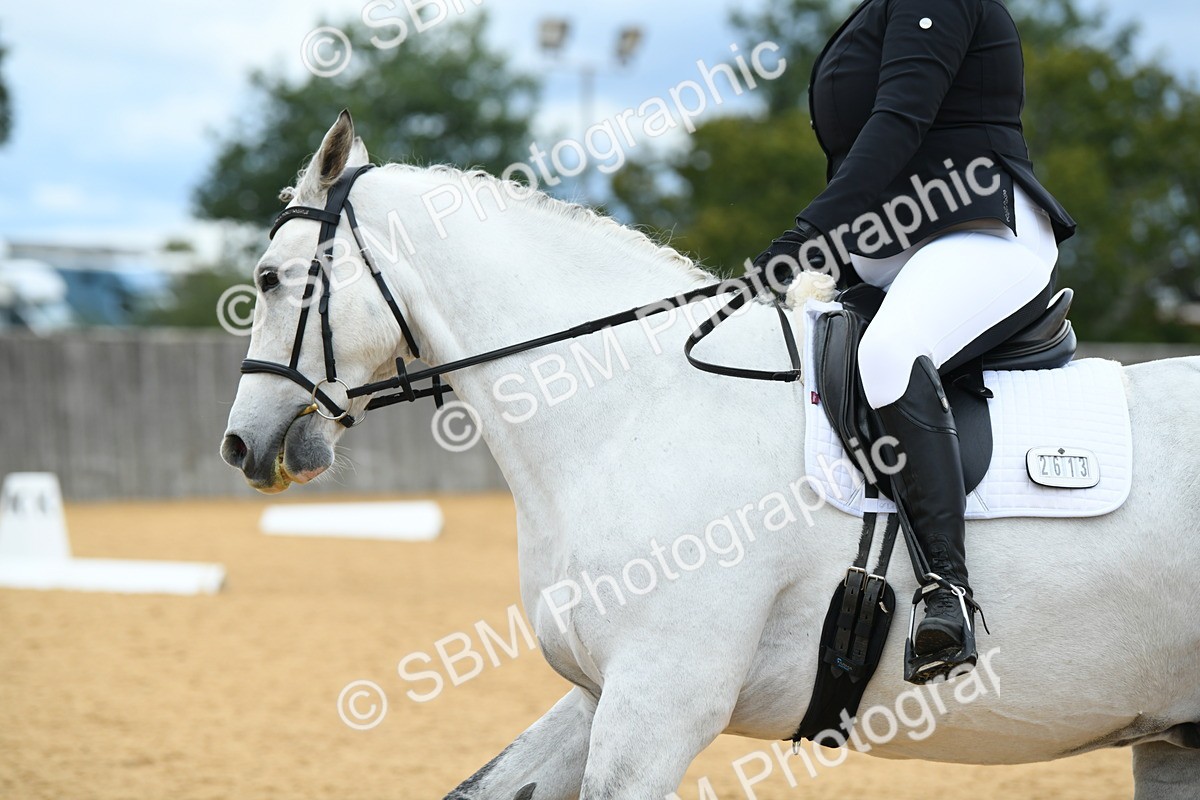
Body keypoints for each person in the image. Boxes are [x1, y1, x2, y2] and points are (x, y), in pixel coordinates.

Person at [753, 0, 1076, 682]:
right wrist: (828, 254)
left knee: (890, 350)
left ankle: (947, 594)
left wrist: (808, 236)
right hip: (892, 247)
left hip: (982, 231)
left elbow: (900, 121)